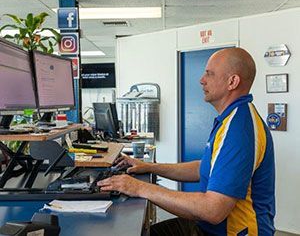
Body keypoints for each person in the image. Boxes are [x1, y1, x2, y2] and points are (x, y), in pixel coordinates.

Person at [97, 48, 275, 236]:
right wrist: (149, 167)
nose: (202, 80)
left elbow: (213, 210)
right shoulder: (231, 118)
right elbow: (203, 168)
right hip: (208, 227)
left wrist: (139, 187)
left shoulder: (239, 129)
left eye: (209, 73)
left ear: (232, 82)